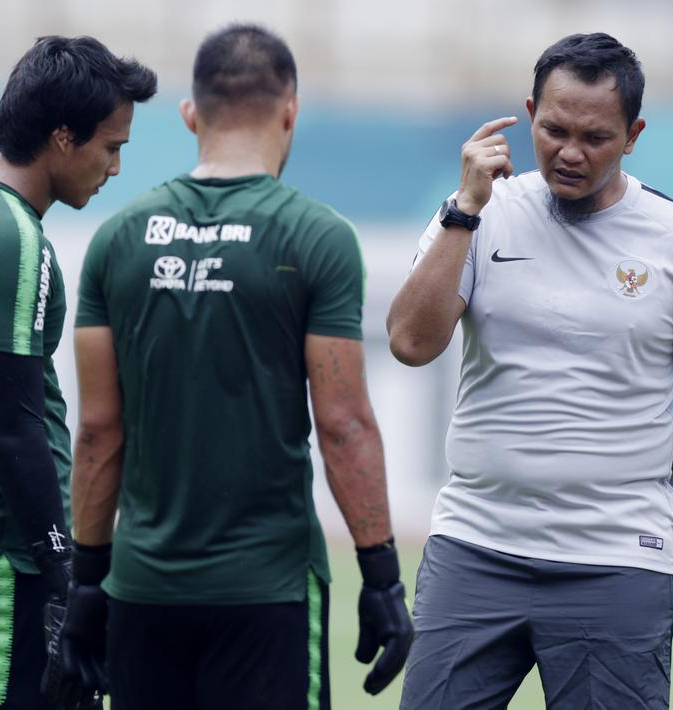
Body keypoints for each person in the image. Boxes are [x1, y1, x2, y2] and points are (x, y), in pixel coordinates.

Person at [388, 32, 673, 709]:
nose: (570, 153)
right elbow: (409, 342)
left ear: (633, 134)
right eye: (553, 130)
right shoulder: (476, 216)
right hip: (474, 546)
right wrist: (464, 209)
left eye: (596, 136)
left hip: (615, 561)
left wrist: (616, 467)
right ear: (528, 114)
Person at [60, 24, 412, 710]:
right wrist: (381, 577)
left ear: (191, 114)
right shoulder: (318, 237)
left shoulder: (117, 238)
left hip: (141, 591)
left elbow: (99, 431)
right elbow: (342, 424)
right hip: (267, 591)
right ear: (291, 111)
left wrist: (84, 583)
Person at [0, 36, 155, 710]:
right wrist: (64, 570)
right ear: (62, 137)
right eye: (111, 146)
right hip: (2, 558)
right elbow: (12, 428)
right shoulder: (10, 237)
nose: (117, 167)